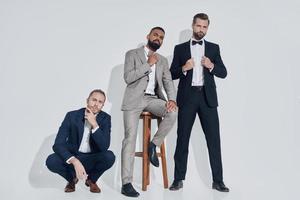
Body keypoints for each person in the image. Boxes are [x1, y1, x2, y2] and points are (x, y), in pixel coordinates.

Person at [169, 13, 229, 192]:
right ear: (193, 26)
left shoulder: (213, 48)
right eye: (198, 26)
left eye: (204, 27)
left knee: (214, 140)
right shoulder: (179, 49)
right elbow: (171, 73)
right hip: (187, 98)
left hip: (207, 98)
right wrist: (183, 68)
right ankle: (178, 179)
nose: (201, 30)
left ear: (207, 28)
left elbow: (223, 72)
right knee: (182, 139)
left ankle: (218, 181)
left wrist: (211, 65)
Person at [121, 27, 177, 197]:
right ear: (148, 36)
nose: (158, 39)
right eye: (155, 35)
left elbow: (168, 82)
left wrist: (172, 100)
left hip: (153, 99)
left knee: (173, 112)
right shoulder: (132, 54)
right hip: (134, 100)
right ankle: (126, 183)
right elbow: (128, 78)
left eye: (161, 37)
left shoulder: (163, 61)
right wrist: (148, 64)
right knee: (130, 138)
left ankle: (153, 145)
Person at [46, 89, 115, 193]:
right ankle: (71, 179)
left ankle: (91, 180)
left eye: (100, 102)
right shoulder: (72, 116)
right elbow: (58, 145)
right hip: (74, 156)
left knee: (109, 156)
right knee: (51, 160)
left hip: (92, 158)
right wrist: (74, 161)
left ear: (103, 105)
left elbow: (104, 147)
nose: (96, 104)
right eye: (94, 100)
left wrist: (94, 124)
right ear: (87, 100)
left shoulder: (106, 119)